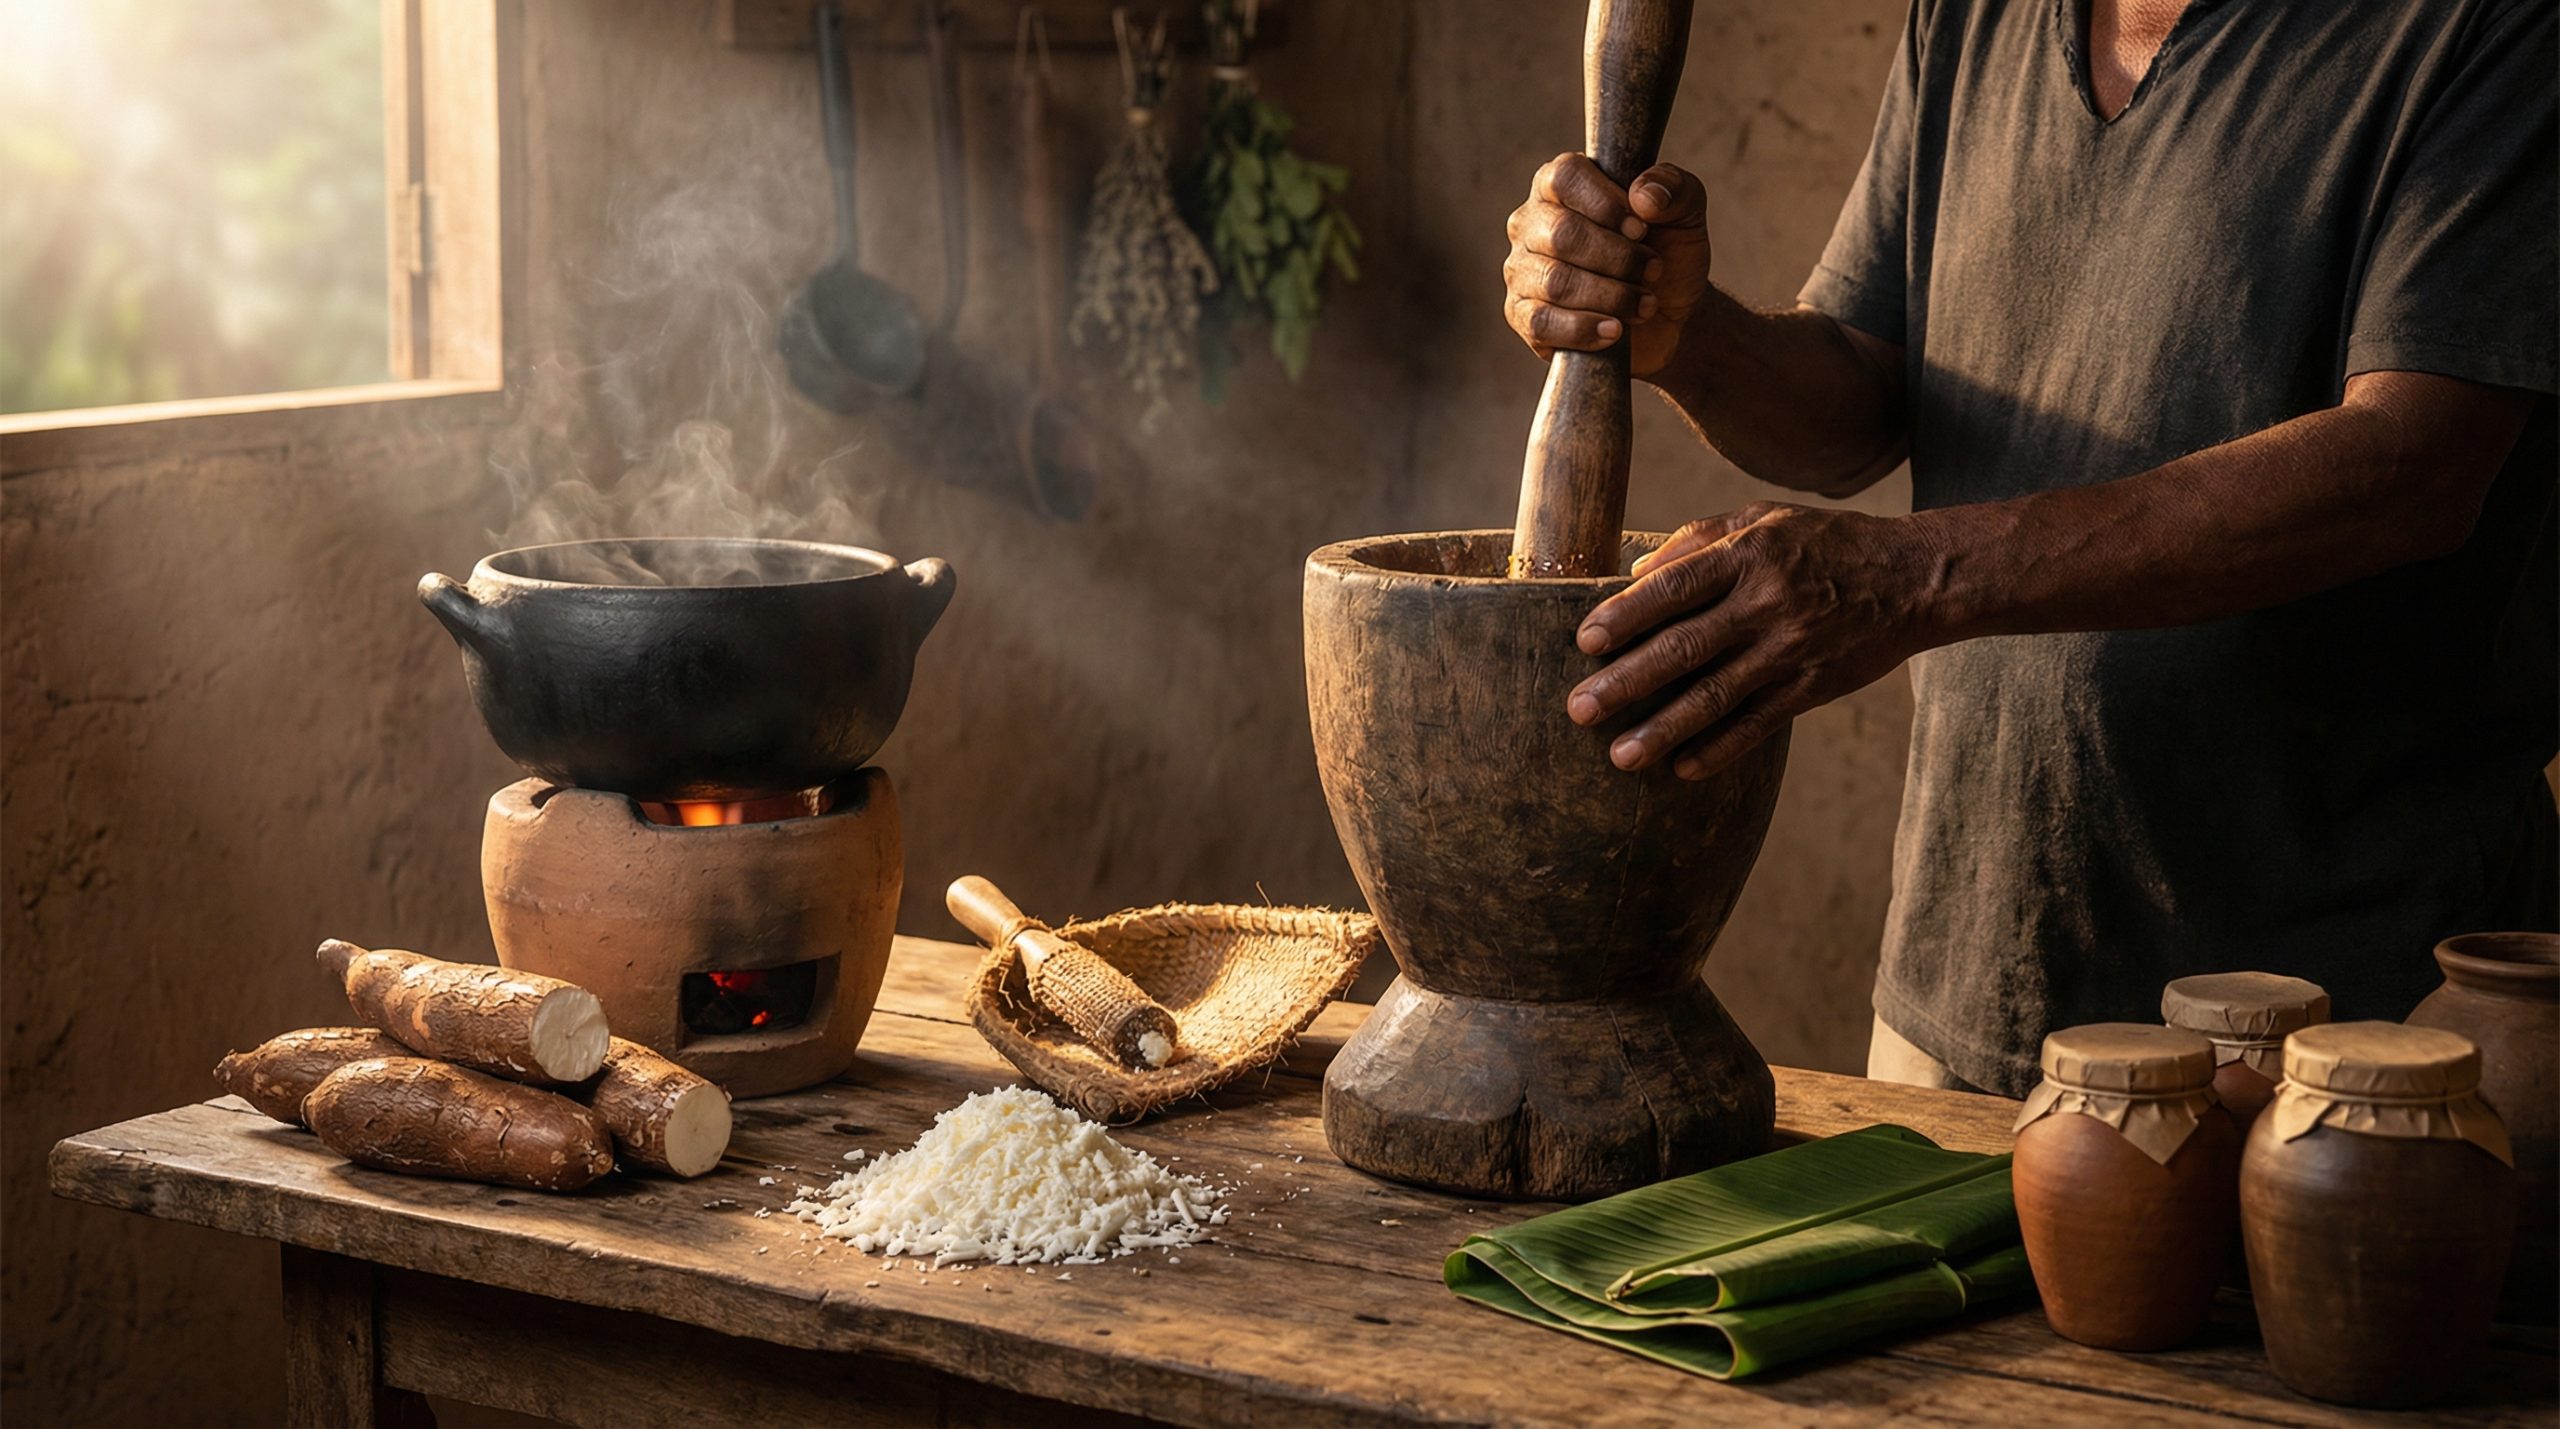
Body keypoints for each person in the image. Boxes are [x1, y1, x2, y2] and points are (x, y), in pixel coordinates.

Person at [1501, 0, 2558, 1095]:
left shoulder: (2489, 28)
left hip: (2343, 1027)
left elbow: (2410, 468)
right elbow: (1859, 402)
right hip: (1971, 966)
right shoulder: (1975, 14)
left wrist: (1909, 577)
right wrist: (1684, 332)